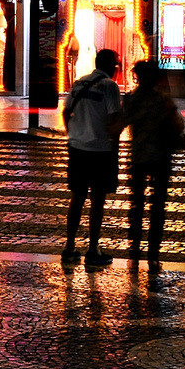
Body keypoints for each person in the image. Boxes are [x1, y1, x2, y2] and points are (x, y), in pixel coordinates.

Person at [61, 48, 124, 270]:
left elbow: (65, 112)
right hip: (100, 150)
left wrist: (74, 135)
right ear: (110, 67)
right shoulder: (109, 87)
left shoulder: (79, 82)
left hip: (77, 149)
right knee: (97, 200)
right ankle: (93, 248)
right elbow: (113, 121)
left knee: (77, 198)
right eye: (116, 65)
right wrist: (115, 153)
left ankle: (69, 247)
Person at [121, 60, 185, 271]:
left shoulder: (131, 100)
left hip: (138, 157)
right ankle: (153, 256)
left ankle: (134, 254)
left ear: (137, 77)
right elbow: (178, 125)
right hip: (161, 158)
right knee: (157, 208)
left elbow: (119, 124)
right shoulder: (163, 100)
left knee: (136, 206)